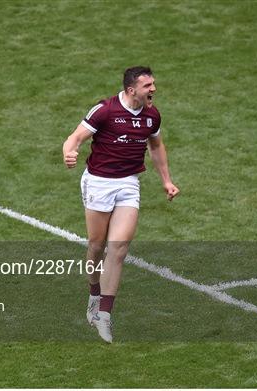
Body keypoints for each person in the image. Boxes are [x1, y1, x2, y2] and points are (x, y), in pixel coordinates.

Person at [62, 66, 179, 343]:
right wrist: (69, 152)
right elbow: (75, 137)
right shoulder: (105, 110)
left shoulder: (152, 116)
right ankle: (93, 293)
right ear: (131, 90)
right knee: (96, 246)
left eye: (153, 84)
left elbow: (156, 146)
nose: (153, 89)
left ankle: (104, 314)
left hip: (128, 183)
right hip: (99, 182)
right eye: (148, 85)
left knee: (119, 249)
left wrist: (166, 180)